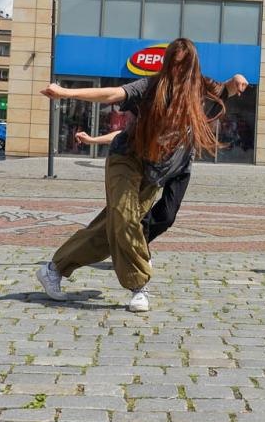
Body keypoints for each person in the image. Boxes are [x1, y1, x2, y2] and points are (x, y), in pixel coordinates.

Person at [34, 40, 233, 313]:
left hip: (154, 173)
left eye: (183, 65)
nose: (176, 71)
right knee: (126, 218)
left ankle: (53, 269)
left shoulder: (202, 89)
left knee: (111, 229)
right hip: (126, 160)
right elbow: (113, 94)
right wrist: (68, 93)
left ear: (192, 67)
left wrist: (238, 80)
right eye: (172, 64)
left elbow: (229, 89)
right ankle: (139, 286)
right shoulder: (151, 86)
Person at [71, 71, 247, 247]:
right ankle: (134, 250)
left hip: (180, 166)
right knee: (136, 212)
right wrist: (93, 140)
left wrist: (236, 78)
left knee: (167, 216)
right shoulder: (150, 111)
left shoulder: (186, 99)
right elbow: (124, 134)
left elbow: (225, 89)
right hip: (155, 163)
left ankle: (136, 246)